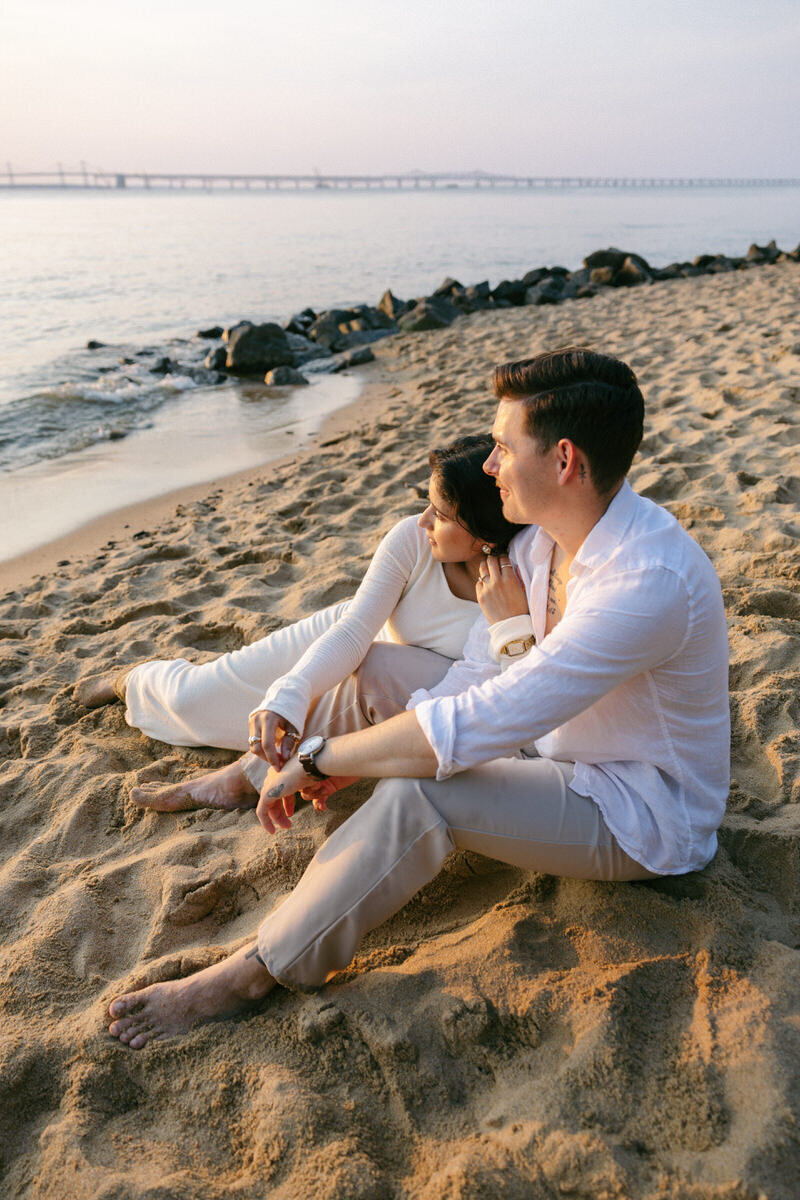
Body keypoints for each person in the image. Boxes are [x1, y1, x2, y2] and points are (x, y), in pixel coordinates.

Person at [108, 348, 730, 1050]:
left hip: (635, 810)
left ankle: (256, 969)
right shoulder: (540, 547)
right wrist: (360, 757)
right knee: (386, 697)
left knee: (420, 794)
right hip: (553, 748)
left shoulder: (645, 584)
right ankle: (252, 770)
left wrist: (323, 758)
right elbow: (470, 678)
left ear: (563, 462)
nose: (490, 464)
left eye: (502, 447)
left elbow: (484, 718)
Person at [78, 434, 525, 812]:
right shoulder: (412, 538)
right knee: (196, 701)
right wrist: (288, 695)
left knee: (270, 736)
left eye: (441, 514)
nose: (424, 519)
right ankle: (130, 680)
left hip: (384, 679)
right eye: (425, 504)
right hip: (354, 631)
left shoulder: (517, 585)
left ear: (482, 537)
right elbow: (352, 634)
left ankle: (238, 779)